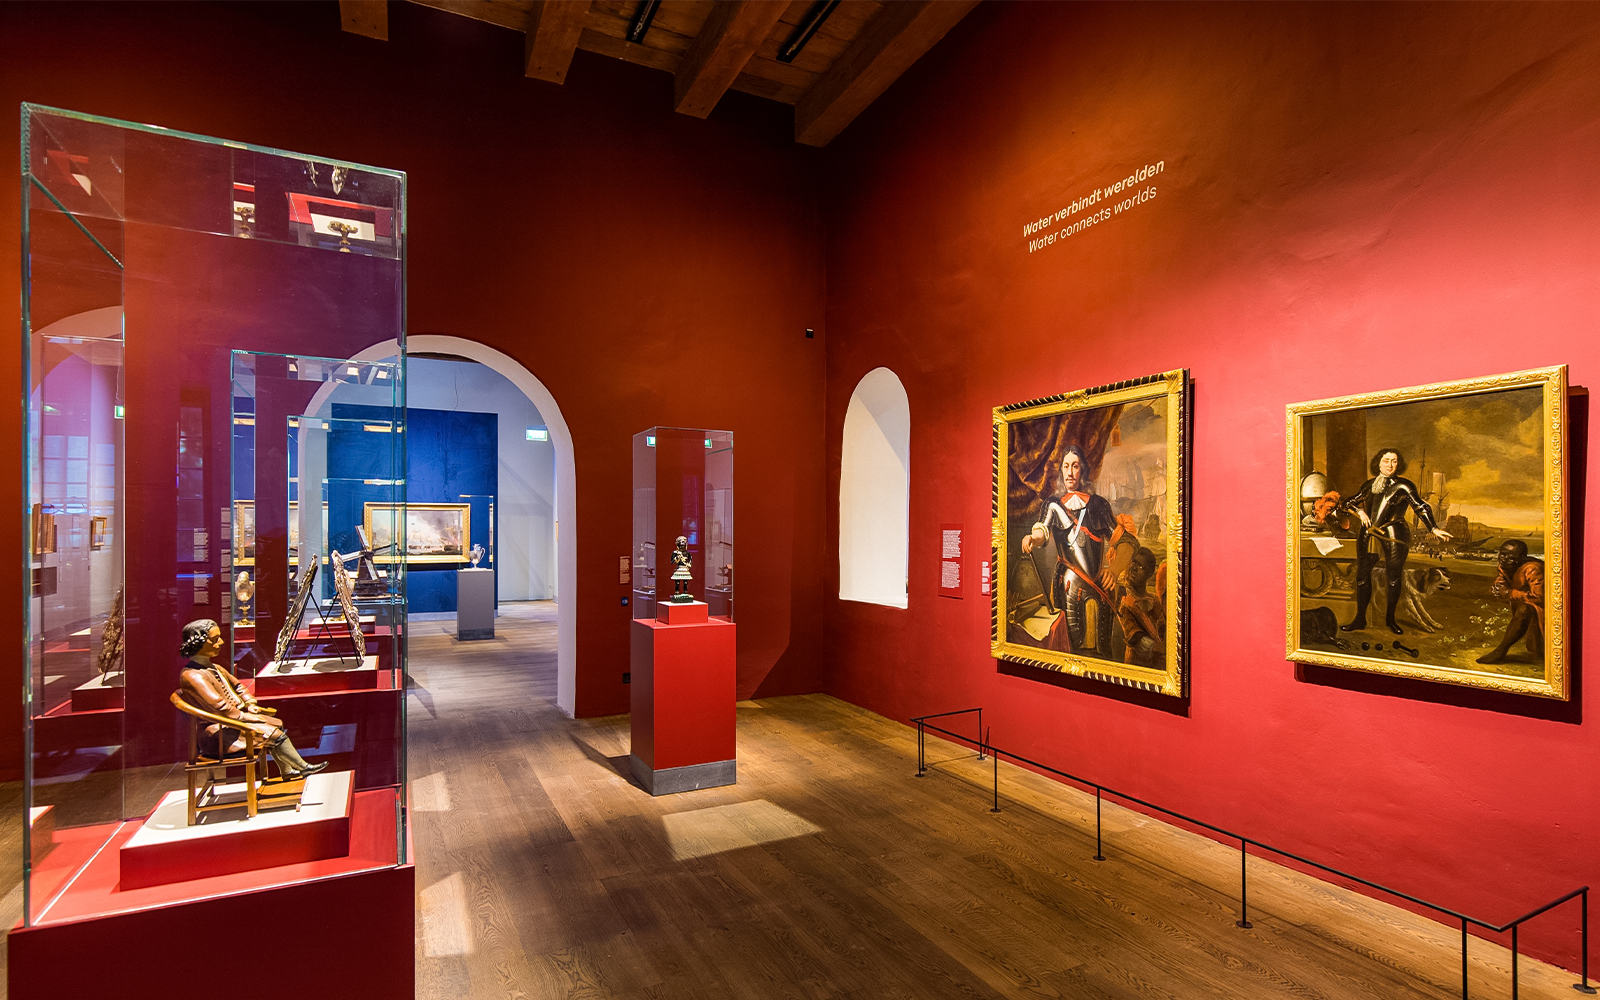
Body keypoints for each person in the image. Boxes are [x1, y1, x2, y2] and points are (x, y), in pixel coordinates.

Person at [177, 619, 328, 781]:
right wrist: (245, 717)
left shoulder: (215, 668)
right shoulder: (192, 676)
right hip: (216, 734)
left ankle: (287, 770)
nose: (221, 642)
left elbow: (239, 688)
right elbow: (220, 707)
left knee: (276, 723)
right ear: (197, 643)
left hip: (230, 723)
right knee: (273, 733)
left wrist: (250, 703)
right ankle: (303, 767)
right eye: (214, 640)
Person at [1339, 449, 1451, 635]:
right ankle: (1360, 619)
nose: (1390, 465)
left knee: (1393, 577)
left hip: (1394, 533)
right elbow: (1347, 502)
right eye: (1386, 460)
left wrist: (1433, 528)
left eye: (1394, 461)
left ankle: (1390, 620)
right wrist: (1360, 511)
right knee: (1362, 576)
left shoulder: (1403, 485)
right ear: (1378, 463)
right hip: (1370, 533)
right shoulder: (1370, 485)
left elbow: (1420, 506)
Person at [1022, 445, 1119, 656]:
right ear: (1061, 471)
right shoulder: (1053, 505)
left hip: (1099, 586)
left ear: (1082, 470)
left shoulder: (1099, 505)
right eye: (1066, 466)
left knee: (1103, 652)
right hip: (1066, 586)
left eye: (1075, 466)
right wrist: (1032, 537)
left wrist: (1116, 568)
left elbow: (1125, 540)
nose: (1070, 472)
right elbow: (1042, 531)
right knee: (1069, 650)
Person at [1476, 539, 1544, 664]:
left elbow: (1539, 597)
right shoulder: (1506, 566)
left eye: (1510, 557)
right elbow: (1501, 582)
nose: (1504, 559)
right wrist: (1497, 588)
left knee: (1525, 609)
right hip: (1528, 617)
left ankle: (1501, 651)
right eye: (1502, 554)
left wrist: (1508, 593)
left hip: (1544, 616)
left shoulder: (1533, 569)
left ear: (1522, 558)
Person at [1117, 547, 1165, 668]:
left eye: (1141, 567)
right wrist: (1160, 648)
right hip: (1136, 666)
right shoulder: (1123, 598)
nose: (1134, 568)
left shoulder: (1154, 600)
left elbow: (1162, 627)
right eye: (1134, 562)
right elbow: (1134, 637)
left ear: (1149, 574)